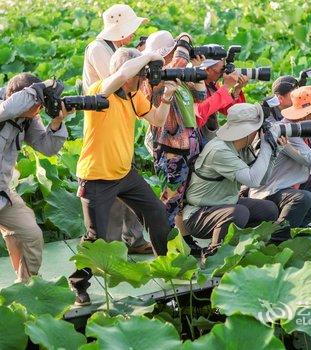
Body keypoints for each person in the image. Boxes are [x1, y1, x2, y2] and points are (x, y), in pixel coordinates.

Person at [70, 48, 179, 306]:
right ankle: (78, 284)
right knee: (96, 237)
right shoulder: (100, 91)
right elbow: (123, 73)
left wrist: (166, 97)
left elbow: (157, 119)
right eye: (139, 74)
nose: (142, 78)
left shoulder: (132, 96)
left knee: (156, 214)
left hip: (125, 173)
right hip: (96, 176)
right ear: (125, 72)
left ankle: (164, 263)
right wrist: (148, 56)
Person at [82, 4, 151, 254]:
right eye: (131, 30)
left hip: (120, 121)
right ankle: (110, 248)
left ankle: (134, 239)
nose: (132, 34)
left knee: (127, 177)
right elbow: (115, 83)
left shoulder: (117, 48)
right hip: (104, 122)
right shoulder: (99, 49)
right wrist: (137, 62)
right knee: (112, 190)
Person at [250, 85, 311, 243]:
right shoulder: (288, 131)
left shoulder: (307, 127)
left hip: (291, 184)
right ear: (306, 113)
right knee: (304, 197)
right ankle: (277, 238)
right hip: (270, 190)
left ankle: (298, 227)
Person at [142, 30, 209, 253]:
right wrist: (185, 41)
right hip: (170, 150)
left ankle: (183, 240)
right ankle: (166, 247)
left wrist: (198, 73)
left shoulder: (179, 77)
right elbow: (179, 60)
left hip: (188, 145)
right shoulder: (154, 77)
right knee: (170, 200)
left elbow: (200, 99)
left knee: (181, 199)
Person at [183, 103, 280, 256]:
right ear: (248, 131)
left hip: (225, 203)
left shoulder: (241, 147)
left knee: (269, 209)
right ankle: (214, 254)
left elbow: (262, 180)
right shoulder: (219, 150)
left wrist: (273, 151)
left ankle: (238, 246)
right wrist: (266, 147)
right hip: (198, 214)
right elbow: (253, 180)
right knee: (238, 212)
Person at [0, 73, 70, 282]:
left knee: (31, 234)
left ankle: (26, 286)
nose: (39, 108)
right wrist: (41, 88)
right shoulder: (7, 106)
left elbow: (47, 147)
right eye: (37, 101)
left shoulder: (27, 118)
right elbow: (9, 109)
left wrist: (57, 121)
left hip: (3, 192)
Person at [195, 49, 248, 143]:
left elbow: (230, 111)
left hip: (207, 138)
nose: (223, 74)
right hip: (194, 139)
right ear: (207, 70)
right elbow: (201, 113)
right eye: (221, 70)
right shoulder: (194, 85)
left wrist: (237, 89)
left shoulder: (212, 85)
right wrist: (227, 86)